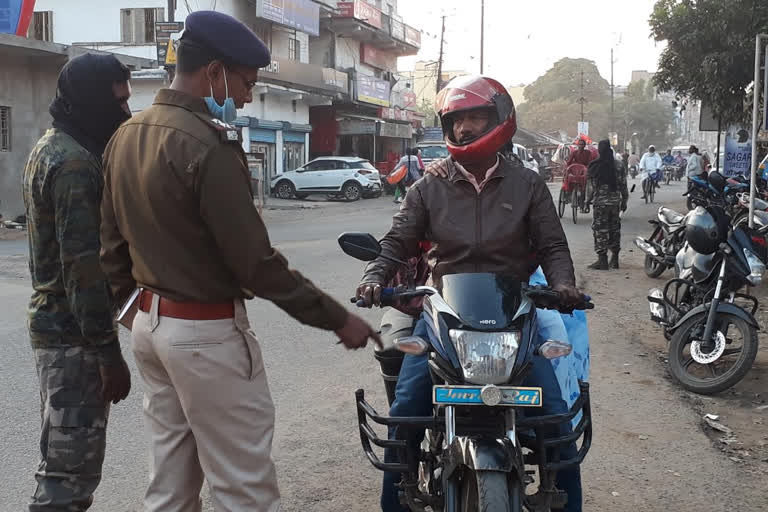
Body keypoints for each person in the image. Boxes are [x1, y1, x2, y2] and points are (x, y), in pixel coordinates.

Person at [99, 11, 380, 511]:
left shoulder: (127, 134)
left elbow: (111, 247)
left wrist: (137, 310)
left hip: (151, 328)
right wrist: (337, 318)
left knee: (169, 486)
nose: (247, 94)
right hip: (205, 336)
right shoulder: (208, 143)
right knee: (243, 488)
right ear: (213, 71)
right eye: (246, 80)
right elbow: (255, 264)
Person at [357, 75, 585, 512]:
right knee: (405, 413)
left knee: (558, 423)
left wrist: (563, 285)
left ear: (500, 119)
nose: (465, 128)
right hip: (444, 312)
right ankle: (395, 505)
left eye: (476, 116)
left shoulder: (528, 185)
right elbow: (396, 241)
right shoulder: (428, 187)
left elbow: (553, 245)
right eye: (457, 120)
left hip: (515, 314)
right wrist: (375, 276)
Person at [22, 53, 133, 512]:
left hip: (59, 334)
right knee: (68, 479)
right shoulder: (74, 164)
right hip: (74, 340)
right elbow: (83, 270)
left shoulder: (53, 145)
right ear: (91, 99)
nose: (125, 114)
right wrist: (108, 354)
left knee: (64, 463)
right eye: (119, 102)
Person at [585, 140, 629, 270]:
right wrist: (624, 201)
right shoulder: (619, 165)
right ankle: (615, 260)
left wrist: (588, 201)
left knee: (600, 230)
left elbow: (591, 187)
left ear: (599, 150)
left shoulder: (594, 165)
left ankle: (602, 260)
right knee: (614, 229)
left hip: (600, 204)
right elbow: (623, 185)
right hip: (615, 203)